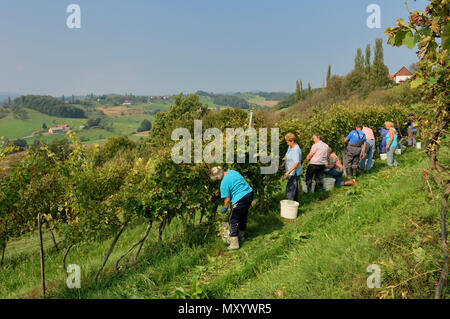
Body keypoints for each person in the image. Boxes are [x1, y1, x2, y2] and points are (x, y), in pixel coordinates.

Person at [210, 167, 254, 250]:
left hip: (240, 198)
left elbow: (227, 199)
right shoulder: (232, 171)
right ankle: (241, 236)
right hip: (249, 193)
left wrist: (225, 208)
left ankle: (234, 244)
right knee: (243, 216)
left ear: (217, 177)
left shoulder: (223, 184)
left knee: (232, 220)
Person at [280, 133, 303, 202]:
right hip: (290, 171)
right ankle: (295, 204)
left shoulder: (296, 150)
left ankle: (289, 205)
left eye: (287, 142)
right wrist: (283, 164)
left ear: (292, 141)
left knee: (290, 189)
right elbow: (287, 157)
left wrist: (287, 172)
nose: (287, 143)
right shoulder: (290, 147)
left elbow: (296, 163)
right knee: (294, 188)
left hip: (294, 172)